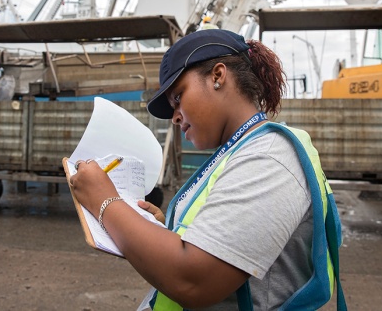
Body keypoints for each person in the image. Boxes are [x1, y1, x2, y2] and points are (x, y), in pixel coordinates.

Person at [69, 29, 346, 310]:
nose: (175, 117)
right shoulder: (241, 151)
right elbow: (211, 249)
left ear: (217, 76)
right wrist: (153, 232)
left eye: (178, 97)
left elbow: (194, 281)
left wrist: (105, 202)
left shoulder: (268, 158)